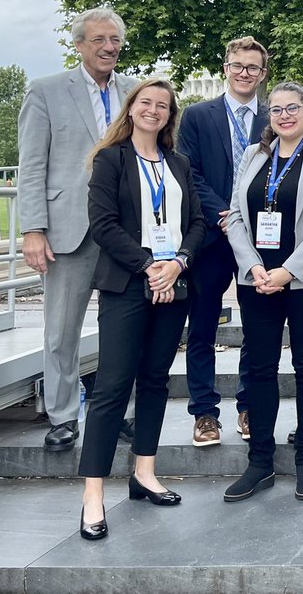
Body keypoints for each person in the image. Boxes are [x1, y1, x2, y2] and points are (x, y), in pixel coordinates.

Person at [78, 79, 206, 541]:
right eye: (145, 103)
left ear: (170, 115)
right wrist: (150, 266)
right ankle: (93, 495)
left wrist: (178, 263)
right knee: (113, 386)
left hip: (173, 283)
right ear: (131, 109)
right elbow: (103, 224)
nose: (153, 110)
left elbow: (195, 221)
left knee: (155, 380)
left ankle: (144, 473)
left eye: (162, 106)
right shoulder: (110, 160)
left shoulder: (179, 163)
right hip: (128, 285)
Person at [18, 7, 137, 452]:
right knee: (62, 330)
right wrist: (33, 229)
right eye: (100, 40)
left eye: (116, 40)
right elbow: (32, 166)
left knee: (124, 328)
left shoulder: (134, 92)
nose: (109, 48)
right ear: (79, 44)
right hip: (69, 232)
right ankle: (64, 415)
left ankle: (119, 413)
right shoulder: (46, 91)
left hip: (125, 232)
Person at [222, 82, 303, 503]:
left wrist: (287, 272)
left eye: (292, 108)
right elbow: (234, 215)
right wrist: (254, 266)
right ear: (269, 116)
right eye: (276, 109)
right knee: (259, 368)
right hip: (256, 279)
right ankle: (259, 462)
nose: (284, 116)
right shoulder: (253, 156)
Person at [176, 36, 269, 446]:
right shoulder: (196, 116)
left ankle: (249, 406)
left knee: (258, 326)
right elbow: (188, 171)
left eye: (253, 67)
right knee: (202, 325)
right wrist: (226, 215)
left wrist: (246, 218)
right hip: (212, 234)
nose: (244, 73)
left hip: (260, 239)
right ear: (226, 68)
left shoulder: (275, 116)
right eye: (238, 65)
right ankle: (204, 413)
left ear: (263, 74)